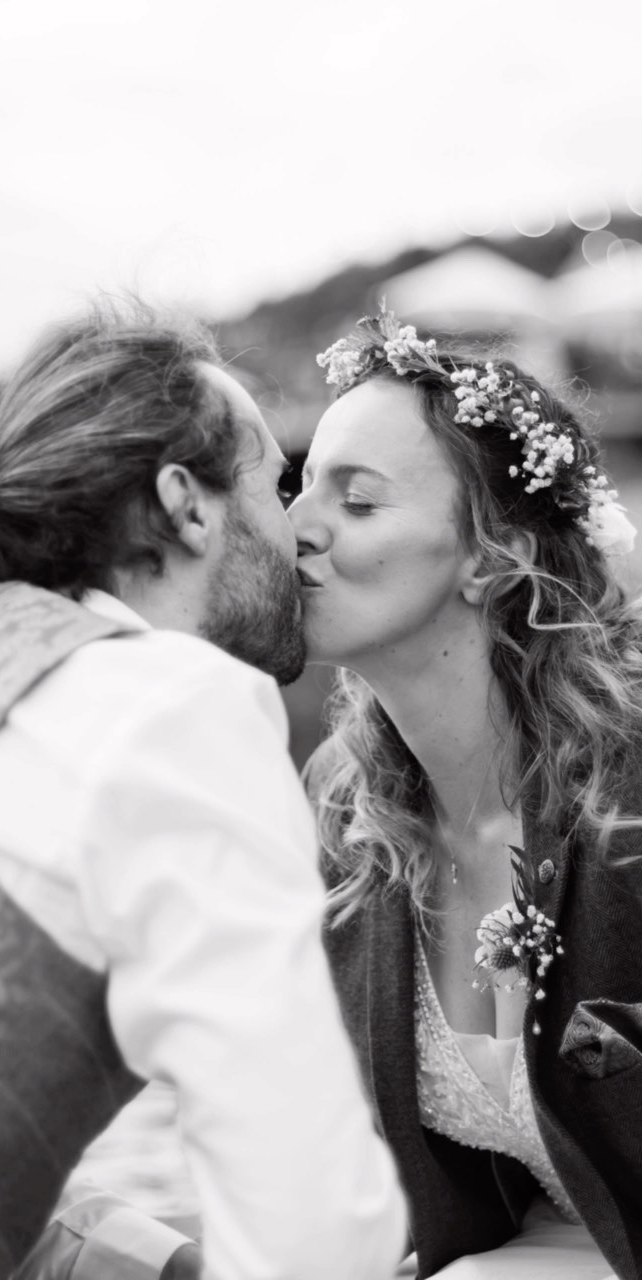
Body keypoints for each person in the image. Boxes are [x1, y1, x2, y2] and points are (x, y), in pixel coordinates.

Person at [0, 304, 405, 1280]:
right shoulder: (171, 709)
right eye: (275, 482)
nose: (300, 528)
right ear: (186, 505)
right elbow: (312, 1237)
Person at [288, 310, 642, 1280]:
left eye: (356, 503)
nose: (297, 528)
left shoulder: (631, 792)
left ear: (487, 556)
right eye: (299, 487)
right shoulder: (347, 812)